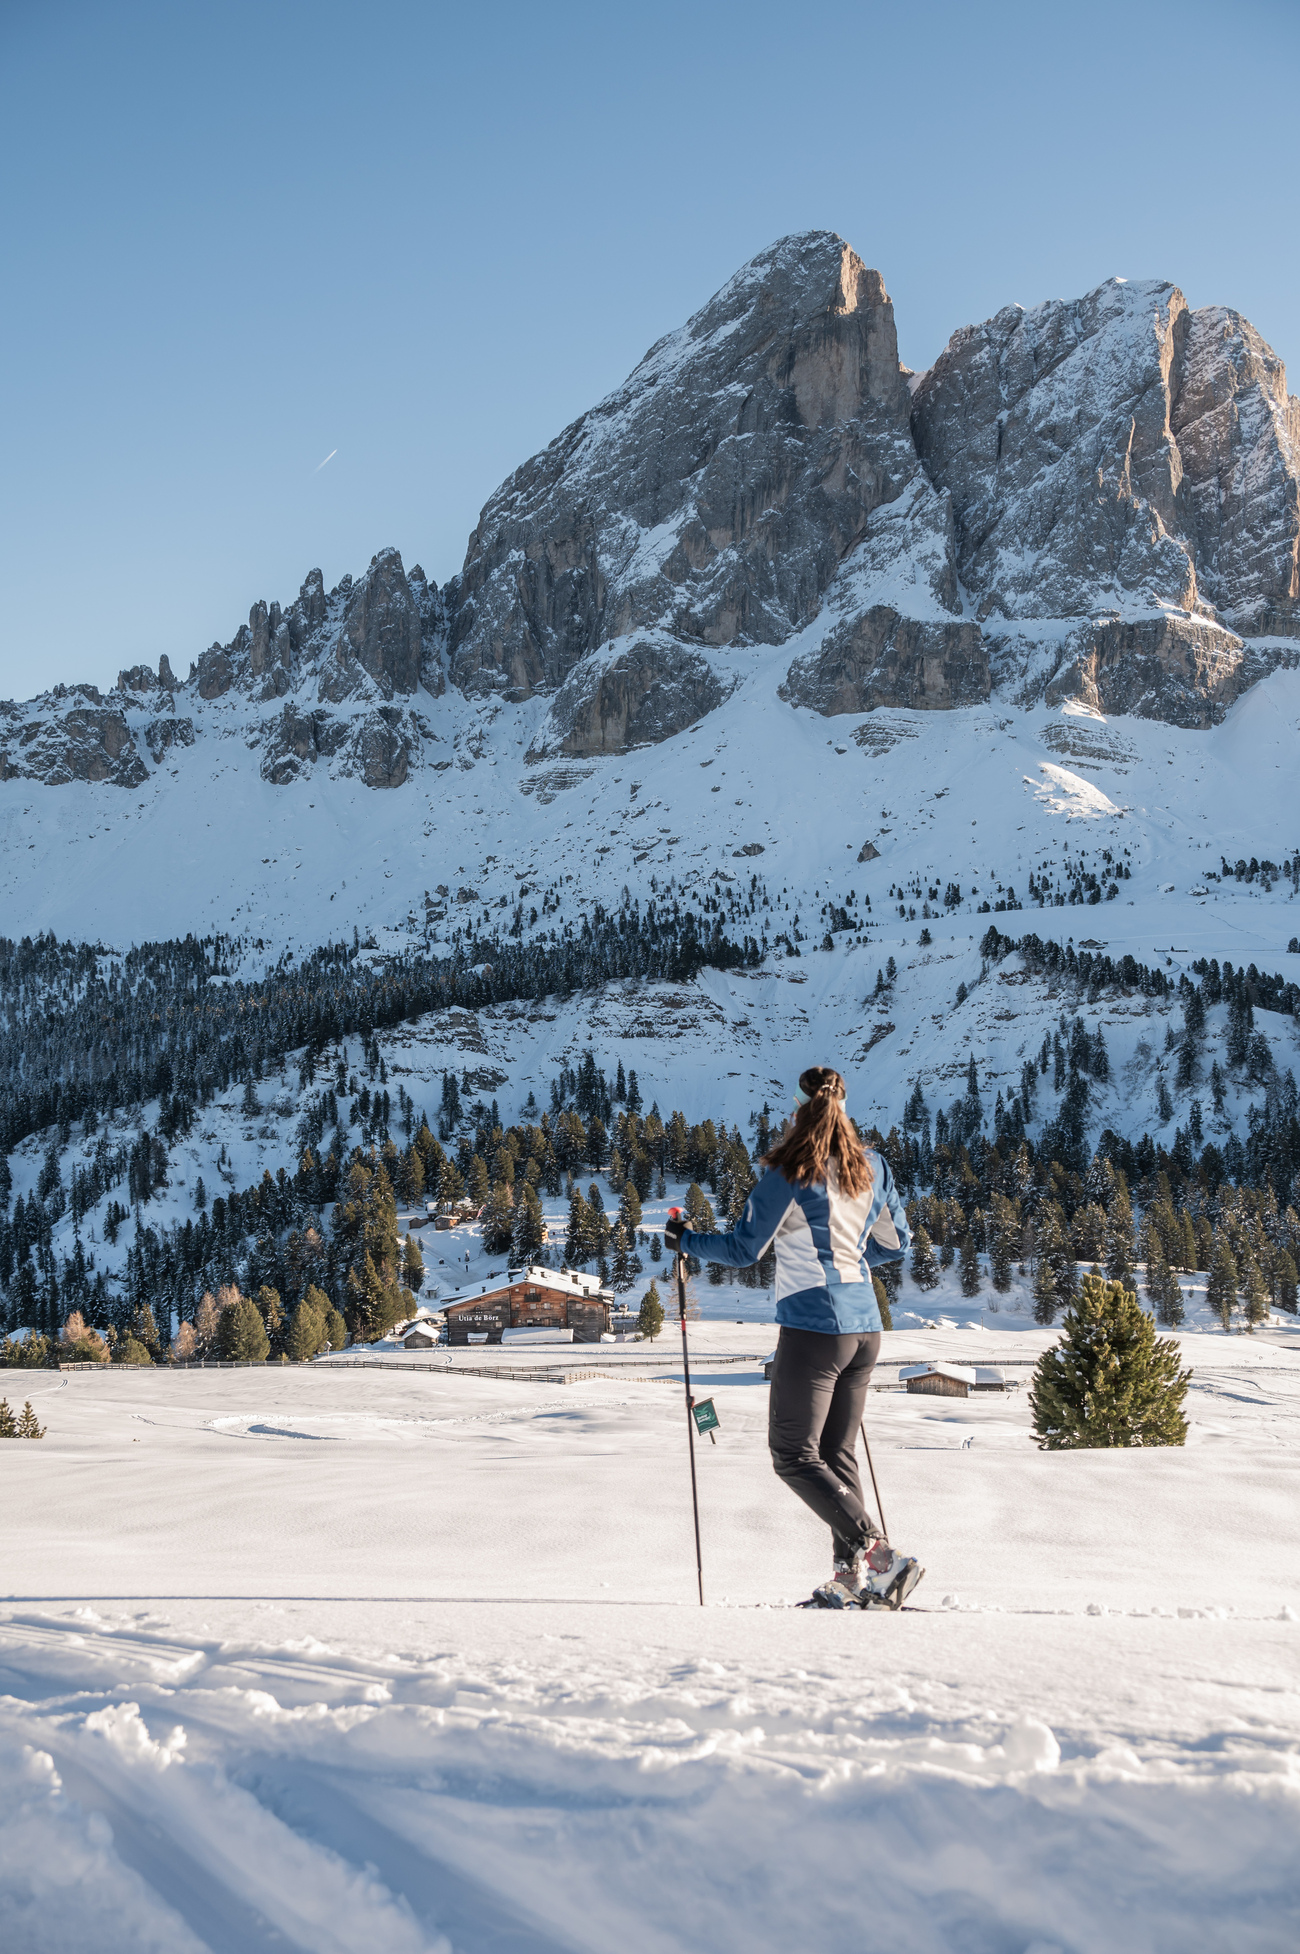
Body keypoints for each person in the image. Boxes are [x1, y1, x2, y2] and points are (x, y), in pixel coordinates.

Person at [665, 1066, 920, 1609]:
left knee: (792, 1454)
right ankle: (850, 1579)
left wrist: (686, 1240)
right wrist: (849, 1260)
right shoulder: (873, 1166)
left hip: (814, 1328)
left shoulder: (791, 1172)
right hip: (865, 1329)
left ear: (798, 1109)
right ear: (844, 1108)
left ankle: (878, 1555)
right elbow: (897, 1244)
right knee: (835, 1452)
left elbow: (742, 1250)